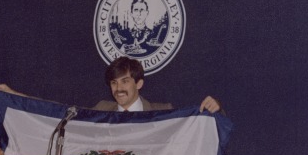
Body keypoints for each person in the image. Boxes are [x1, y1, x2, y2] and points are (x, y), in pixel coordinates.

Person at [92, 56, 220, 113]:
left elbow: (193, 128)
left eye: (125, 81)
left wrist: (214, 109)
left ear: (139, 84)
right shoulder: (101, 109)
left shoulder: (163, 112)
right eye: (114, 83)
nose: (119, 89)